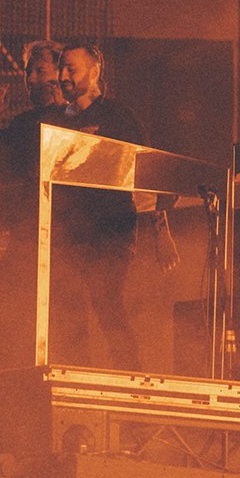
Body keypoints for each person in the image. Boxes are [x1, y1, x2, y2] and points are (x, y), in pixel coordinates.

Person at [48, 41, 176, 368]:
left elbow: (149, 172)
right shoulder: (59, 120)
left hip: (111, 229)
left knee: (106, 301)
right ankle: (76, 372)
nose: (62, 76)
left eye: (71, 69)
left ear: (94, 72)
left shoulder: (119, 117)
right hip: (68, 231)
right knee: (69, 306)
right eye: (61, 68)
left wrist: (161, 231)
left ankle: (128, 373)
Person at [2, 39, 66, 131]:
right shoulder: (21, 123)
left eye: (40, 71)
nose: (30, 79)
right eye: (28, 72)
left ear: (60, 74)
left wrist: (61, 110)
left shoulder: (79, 119)